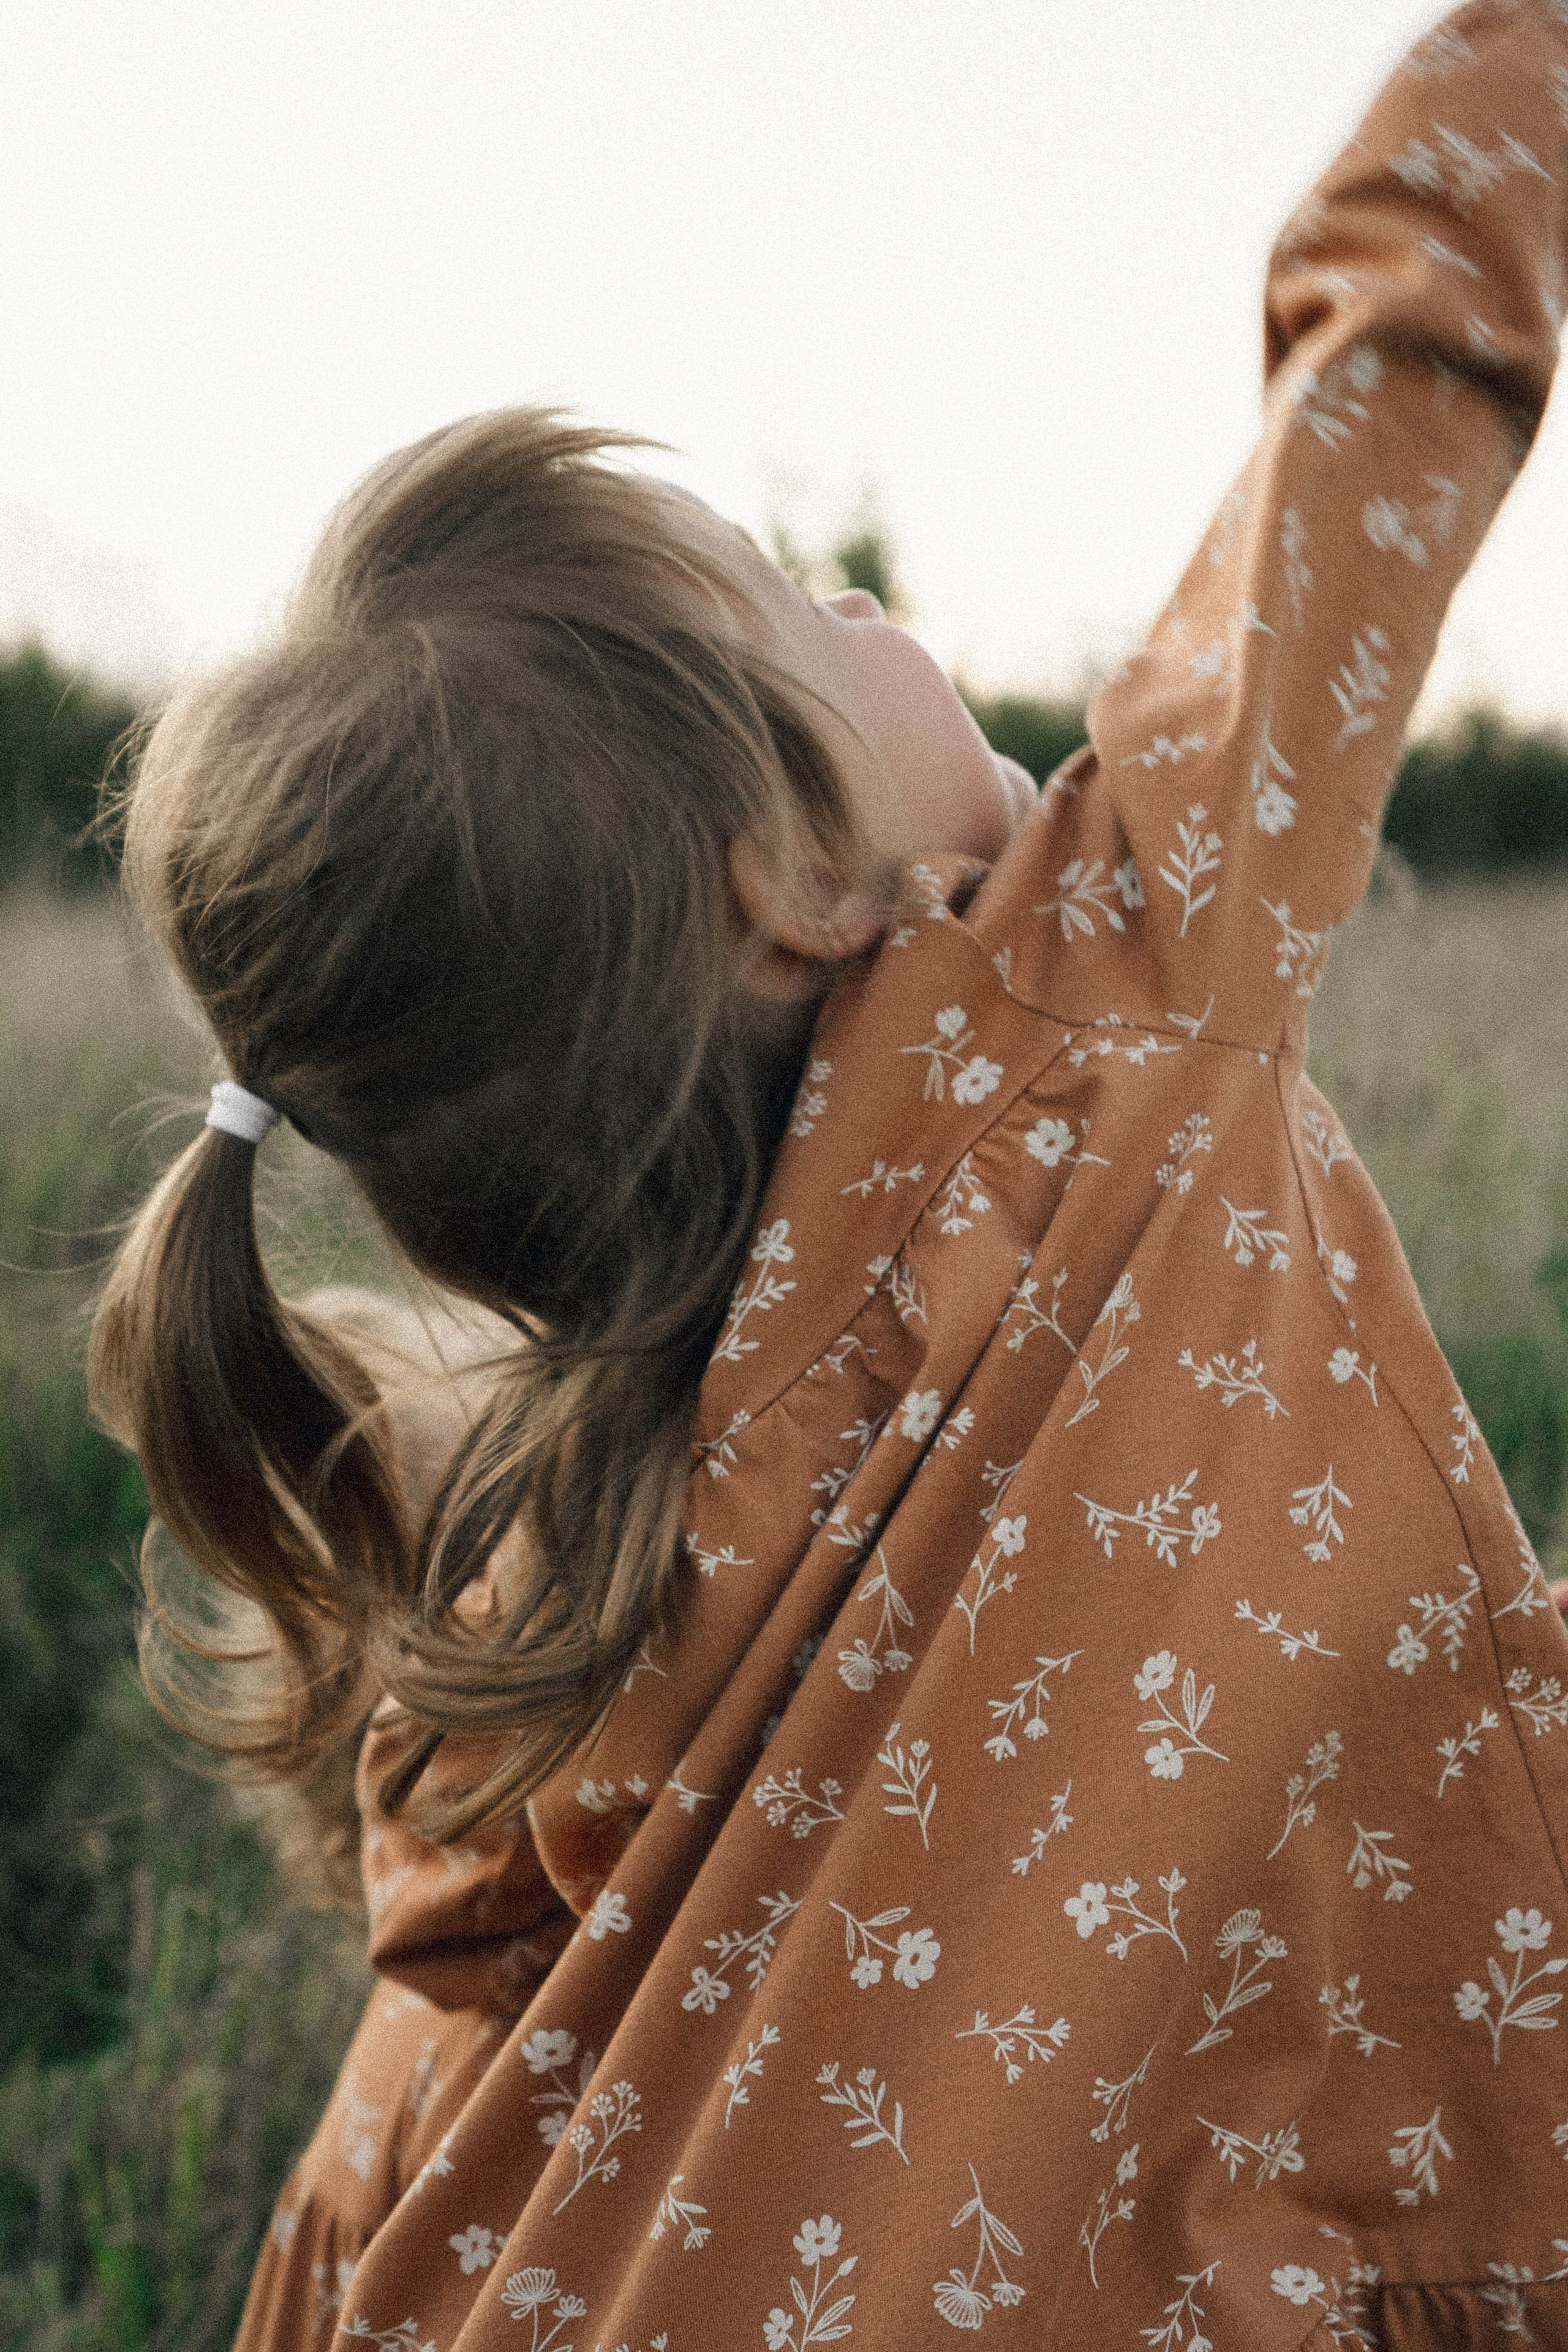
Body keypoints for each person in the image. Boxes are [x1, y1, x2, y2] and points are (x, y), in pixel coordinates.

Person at [89, 2, 1568, 2343]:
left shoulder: (530, 1579)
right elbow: (1393, 367)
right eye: (811, 604)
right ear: (788, 879)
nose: (880, 608)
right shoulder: (1097, 1032)